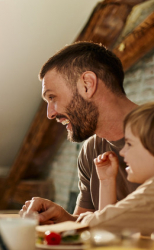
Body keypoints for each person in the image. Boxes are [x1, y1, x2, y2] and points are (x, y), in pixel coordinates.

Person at [20, 41, 140, 224]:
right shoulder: (92, 150)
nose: (50, 114)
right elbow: (88, 226)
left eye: (52, 97)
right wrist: (62, 218)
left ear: (87, 84)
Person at [77, 102, 154, 235]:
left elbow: (101, 225)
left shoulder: (149, 197)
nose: (123, 152)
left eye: (129, 144)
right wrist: (107, 180)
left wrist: (85, 220)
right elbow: (113, 227)